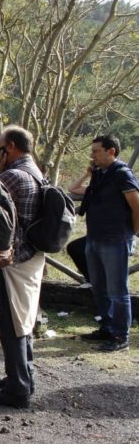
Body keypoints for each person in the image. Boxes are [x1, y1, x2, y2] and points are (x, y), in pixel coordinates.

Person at [0, 125, 45, 409]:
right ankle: (21, 378)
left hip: (14, 260)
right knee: (24, 321)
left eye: (0, 147)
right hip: (31, 256)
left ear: (11, 148)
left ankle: (17, 389)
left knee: (12, 323)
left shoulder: (14, 175)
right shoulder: (35, 171)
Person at [76, 135, 139, 352]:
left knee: (117, 290)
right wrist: (88, 173)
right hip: (95, 237)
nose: (92, 155)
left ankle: (121, 336)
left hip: (115, 239)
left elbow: (136, 204)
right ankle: (107, 327)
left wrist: (133, 231)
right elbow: (74, 189)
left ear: (111, 151)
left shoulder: (122, 174)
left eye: (96, 151)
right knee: (99, 287)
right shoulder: (100, 175)